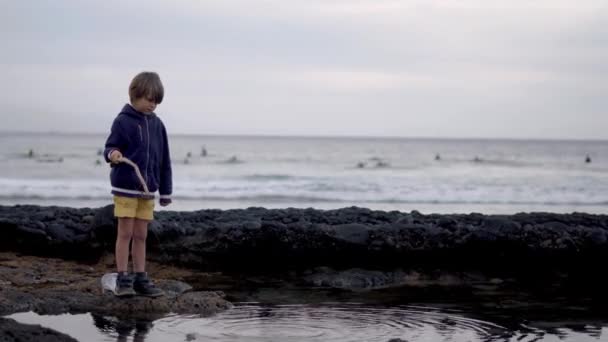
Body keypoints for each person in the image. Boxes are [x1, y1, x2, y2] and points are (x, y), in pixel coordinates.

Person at [103, 71, 172, 297]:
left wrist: (165, 191)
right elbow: (110, 146)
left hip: (147, 191)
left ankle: (141, 278)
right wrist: (112, 153)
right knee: (125, 233)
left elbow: (164, 161)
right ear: (135, 95)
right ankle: (123, 278)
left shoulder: (158, 125)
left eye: (156, 101)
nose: (153, 105)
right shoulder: (123, 121)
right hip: (125, 188)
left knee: (142, 235)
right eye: (149, 99)